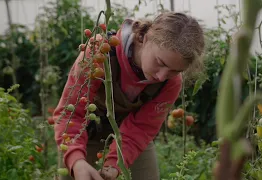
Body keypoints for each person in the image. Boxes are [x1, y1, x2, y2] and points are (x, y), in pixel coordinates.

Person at [53, 11, 205, 180]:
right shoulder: (100, 53)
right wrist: (76, 160)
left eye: (175, 71)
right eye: (160, 63)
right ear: (144, 38)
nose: (162, 76)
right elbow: (71, 112)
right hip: (83, 131)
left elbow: (142, 128)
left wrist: (114, 164)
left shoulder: (170, 83)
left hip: (131, 140)